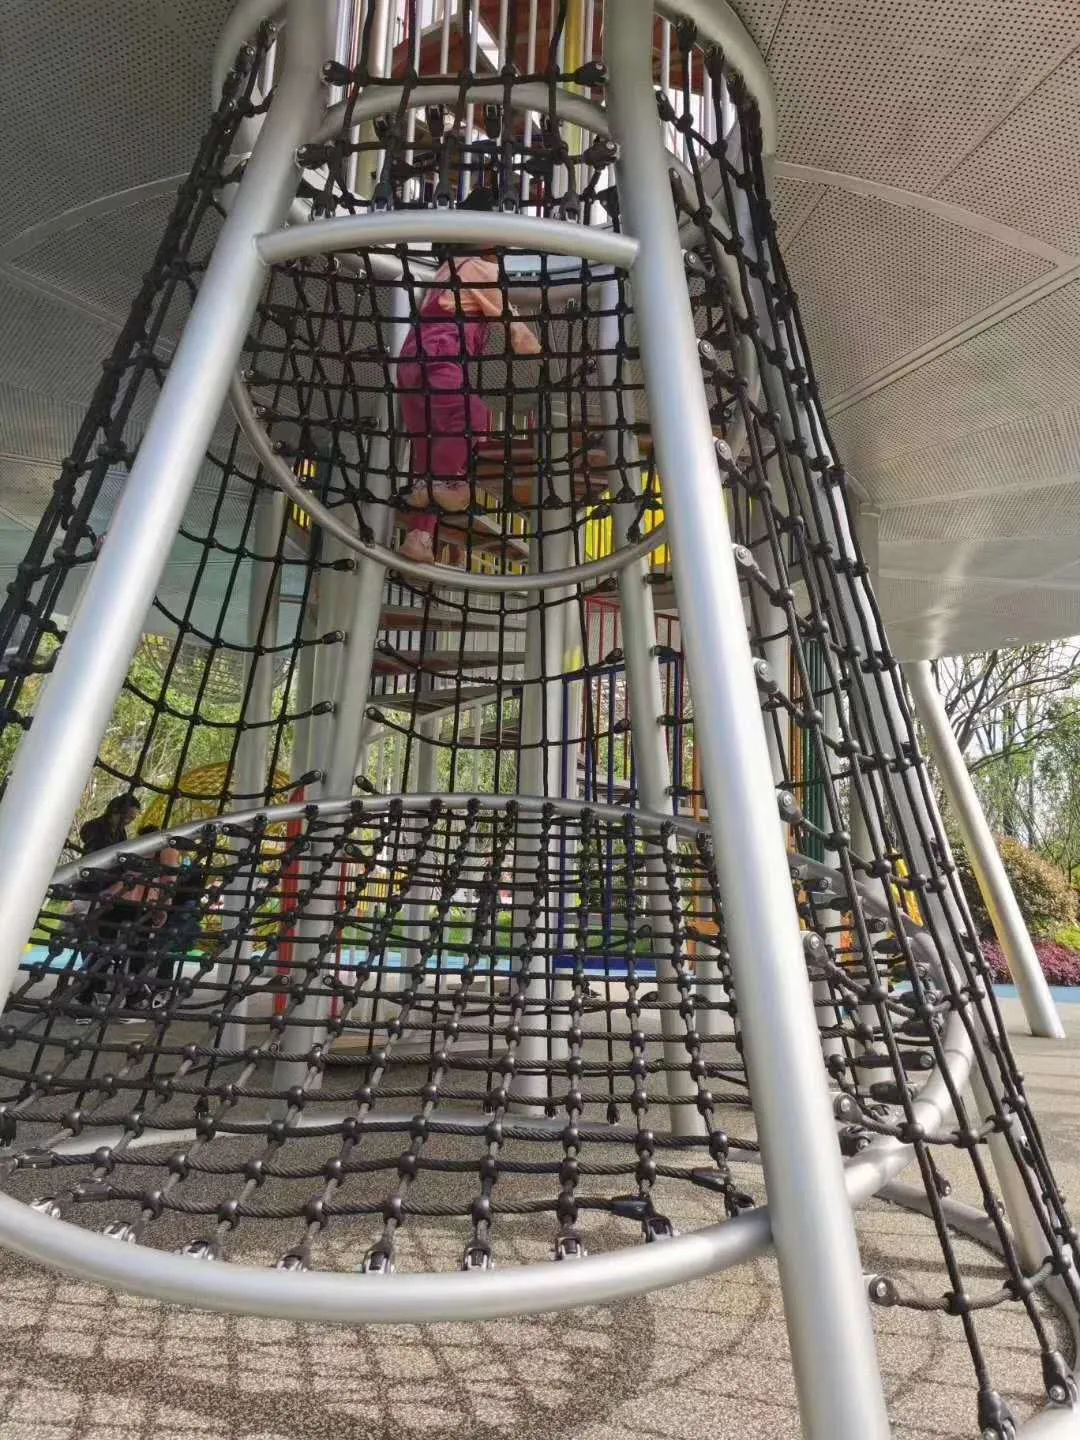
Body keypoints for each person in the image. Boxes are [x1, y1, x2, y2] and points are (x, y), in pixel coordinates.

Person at [396, 186, 541, 565]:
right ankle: (448, 484)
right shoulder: (480, 267)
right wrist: (527, 342)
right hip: (441, 355)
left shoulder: (448, 267)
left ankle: (419, 537)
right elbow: (504, 313)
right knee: (470, 416)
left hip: (411, 359)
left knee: (426, 444)